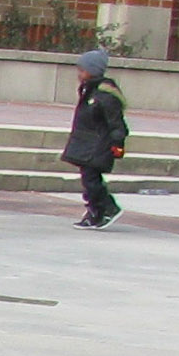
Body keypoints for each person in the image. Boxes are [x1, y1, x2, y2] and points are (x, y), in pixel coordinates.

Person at [63, 47, 128, 229]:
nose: (79, 74)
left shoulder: (105, 95)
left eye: (82, 70)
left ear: (92, 71)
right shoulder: (90, 90)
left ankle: (104, 209)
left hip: (98, 145)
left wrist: (118, 145)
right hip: (88, 143)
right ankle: (97, 210)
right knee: (89, 179)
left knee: (91, 180)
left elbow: (117, 124)